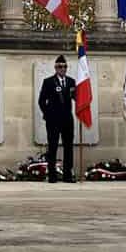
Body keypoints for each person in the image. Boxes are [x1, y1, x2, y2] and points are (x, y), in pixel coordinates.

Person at [38, 55, 76, 183]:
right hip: (53, 120)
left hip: (67, 119)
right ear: (55, 68)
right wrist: (48, 115)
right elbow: (41, 101)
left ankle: (67, 175)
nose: (62, 69)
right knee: (52, 147)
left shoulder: (71, 82)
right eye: (60, 66)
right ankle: (52, 175)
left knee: (68, 147)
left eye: (64, 67)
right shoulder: (48, 81)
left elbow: (77, 97)